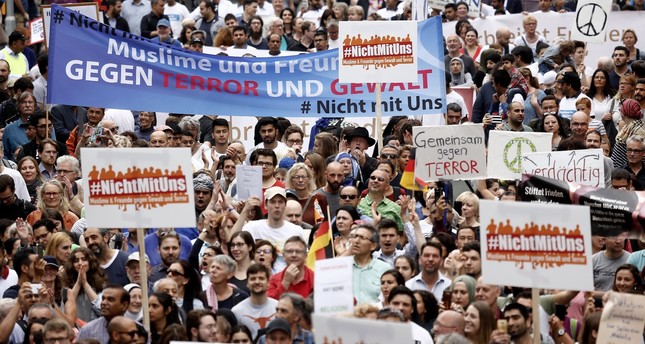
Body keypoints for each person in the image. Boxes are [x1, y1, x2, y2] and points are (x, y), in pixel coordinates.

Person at [232, 263, 278, 339]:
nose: (257, 282)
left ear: (268, 282)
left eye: (261, 278)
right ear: (247, 283)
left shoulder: (278, 308)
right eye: (253, 279)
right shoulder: (237, 311)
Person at [63, 247, 108, 323]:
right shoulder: (66, 282)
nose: (80, 263)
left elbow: (101, 310)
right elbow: (66, 308)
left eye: (84, 259)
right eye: (76, 261)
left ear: (90, 262)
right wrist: (78, 282)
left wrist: (85, 283)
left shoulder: (101, 283)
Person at [351, 224, 391, 305]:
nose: (356, 241)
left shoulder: (385, 269)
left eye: (362, 238)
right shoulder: (343, 267)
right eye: (355, 237)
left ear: (373, 246)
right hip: (346, 316)